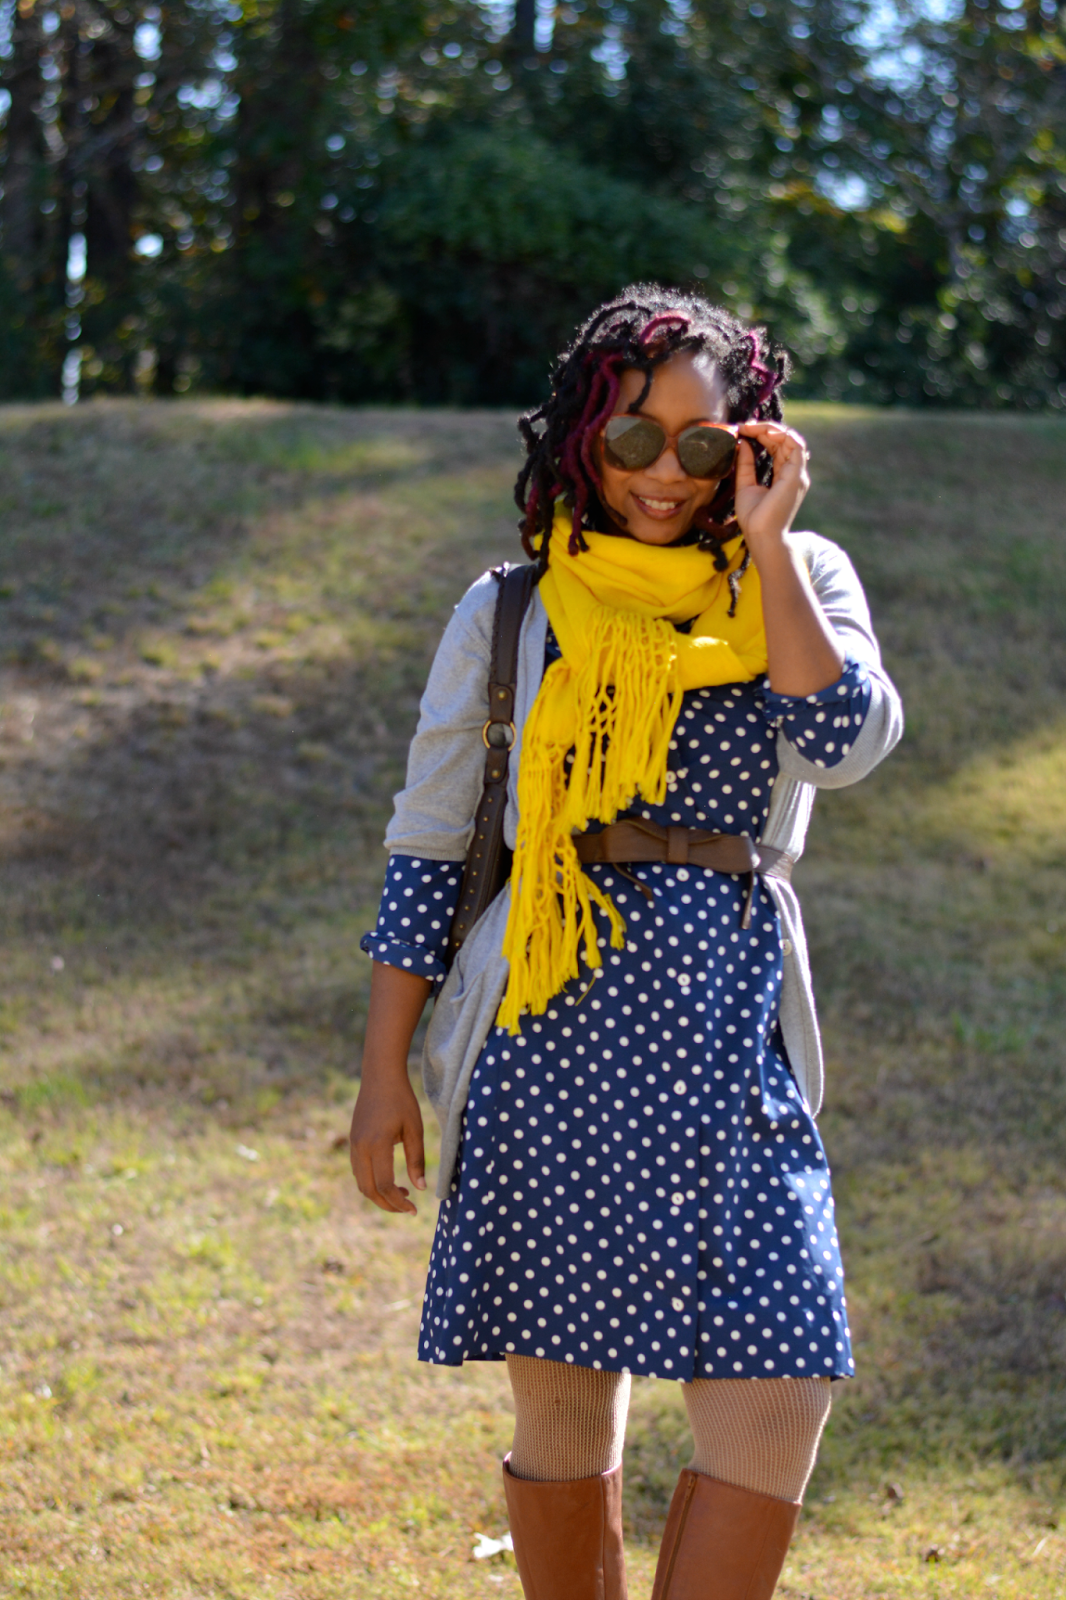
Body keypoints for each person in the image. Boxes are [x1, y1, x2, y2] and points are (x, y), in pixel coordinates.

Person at [349, 286, 903, 1600]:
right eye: (631, 438)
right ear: (581, 438)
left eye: (701, 443)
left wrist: (767, 544)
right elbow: (431, 849)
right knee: (561, 1420)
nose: (665, 472)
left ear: (751, 447)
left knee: (779, 1390)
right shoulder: (511, 608)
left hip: (726, 1040)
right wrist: (381, 1073)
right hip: (552, 1038)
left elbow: (846, 747)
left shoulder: (798, 576)